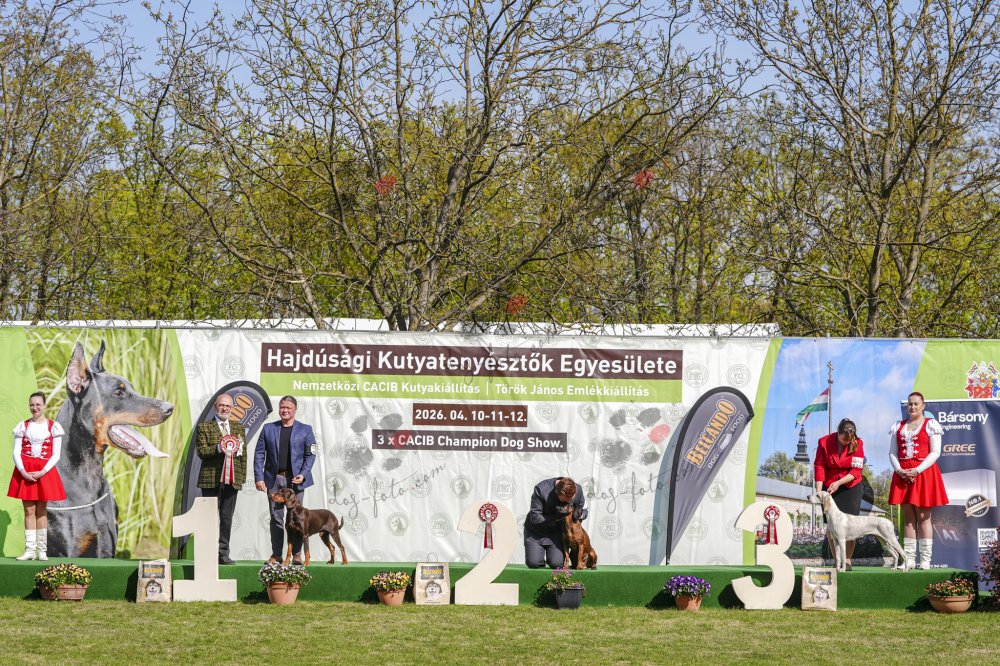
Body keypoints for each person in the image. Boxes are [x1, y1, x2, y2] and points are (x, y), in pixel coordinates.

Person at [888, 391, 949, 569]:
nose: (912, 407)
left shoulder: (931, 424)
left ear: (923, 406)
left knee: (923, 517)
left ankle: (925, 560)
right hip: (903, 474)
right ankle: (908, 559)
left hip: (923, 473)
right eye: (910, 404)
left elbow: (935, 452)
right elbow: (892, 452)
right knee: (908, 519)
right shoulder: (898, 426)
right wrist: (899, 470)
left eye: (916, 404)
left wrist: (917, 470)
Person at [254, 395, 316, 564]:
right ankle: (276, 555)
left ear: (295, 409)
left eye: (288, 407)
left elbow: (310, 455)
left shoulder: (306, 429)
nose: (285, 410)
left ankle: (296, 555)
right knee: (276, 518)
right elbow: (259, 454)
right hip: (274, 480)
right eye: (282, 407)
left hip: (296, 481)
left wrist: (303, 474)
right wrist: (259, 477)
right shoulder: (268, 428)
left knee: (297, 519)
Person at [7, 392, 66, 560]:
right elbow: (16, 452)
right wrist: (23, 472)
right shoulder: (22, 426)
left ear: (44, 406)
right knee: (29, 510)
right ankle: (30, 551)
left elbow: (56, 455)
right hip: (25, 472)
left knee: (41, 510)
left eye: (38, 404)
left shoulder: (54, 427)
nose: (35, 408)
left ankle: (41, 551)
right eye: (32, 405)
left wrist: (42, 472)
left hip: (44, 472)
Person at [196, 393, 247, 564]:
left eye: (228, 406)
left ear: (232, 408)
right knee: (208, 518)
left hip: (232, 480)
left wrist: (241, 477)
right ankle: (208, 554)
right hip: (210, 479)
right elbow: (201, 451)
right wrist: (219, 447)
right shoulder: (204, 427)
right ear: (215, 406)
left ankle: (223, 553)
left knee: (227, 518)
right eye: (221, 405)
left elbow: (243, 455)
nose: (224, 408)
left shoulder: (238, 427)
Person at [814, 418, 865, 569]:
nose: (846, 443)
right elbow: (819, 466)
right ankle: (837, 561)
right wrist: (819, 492)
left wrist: (839, 483)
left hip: (850, 487)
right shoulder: (824, 442)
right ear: (838, 433)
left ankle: (847, 560)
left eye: (849, 441)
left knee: (850, 526)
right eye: (843, 440)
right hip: (829, 488)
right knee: (832, 527)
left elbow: (856, 470)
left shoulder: (858, 443)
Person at [524, 477, 587, 568]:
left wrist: (579, 515)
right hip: (536, 532)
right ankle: (538, 558)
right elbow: (535, 517)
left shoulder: (578, 489)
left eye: (571, 499)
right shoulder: (540, 489)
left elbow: (584, 510)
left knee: (556, 564)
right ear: (557, 492)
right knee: (534, 563)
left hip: (557, 533)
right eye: (565, 500)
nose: (569, 502)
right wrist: (558, 518)